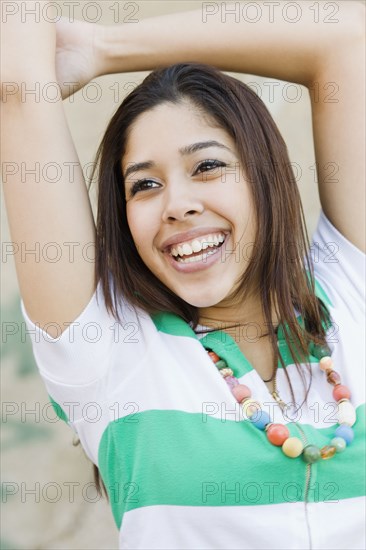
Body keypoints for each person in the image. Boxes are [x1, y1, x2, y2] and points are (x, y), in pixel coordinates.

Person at [1, 2, 365, 549]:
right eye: (144, 186)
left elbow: (345, 39)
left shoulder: (351, 293)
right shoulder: (106, 351)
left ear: (265, 177)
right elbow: (18, 87)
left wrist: (102, 49)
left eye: (208, 166)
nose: (178, 205)